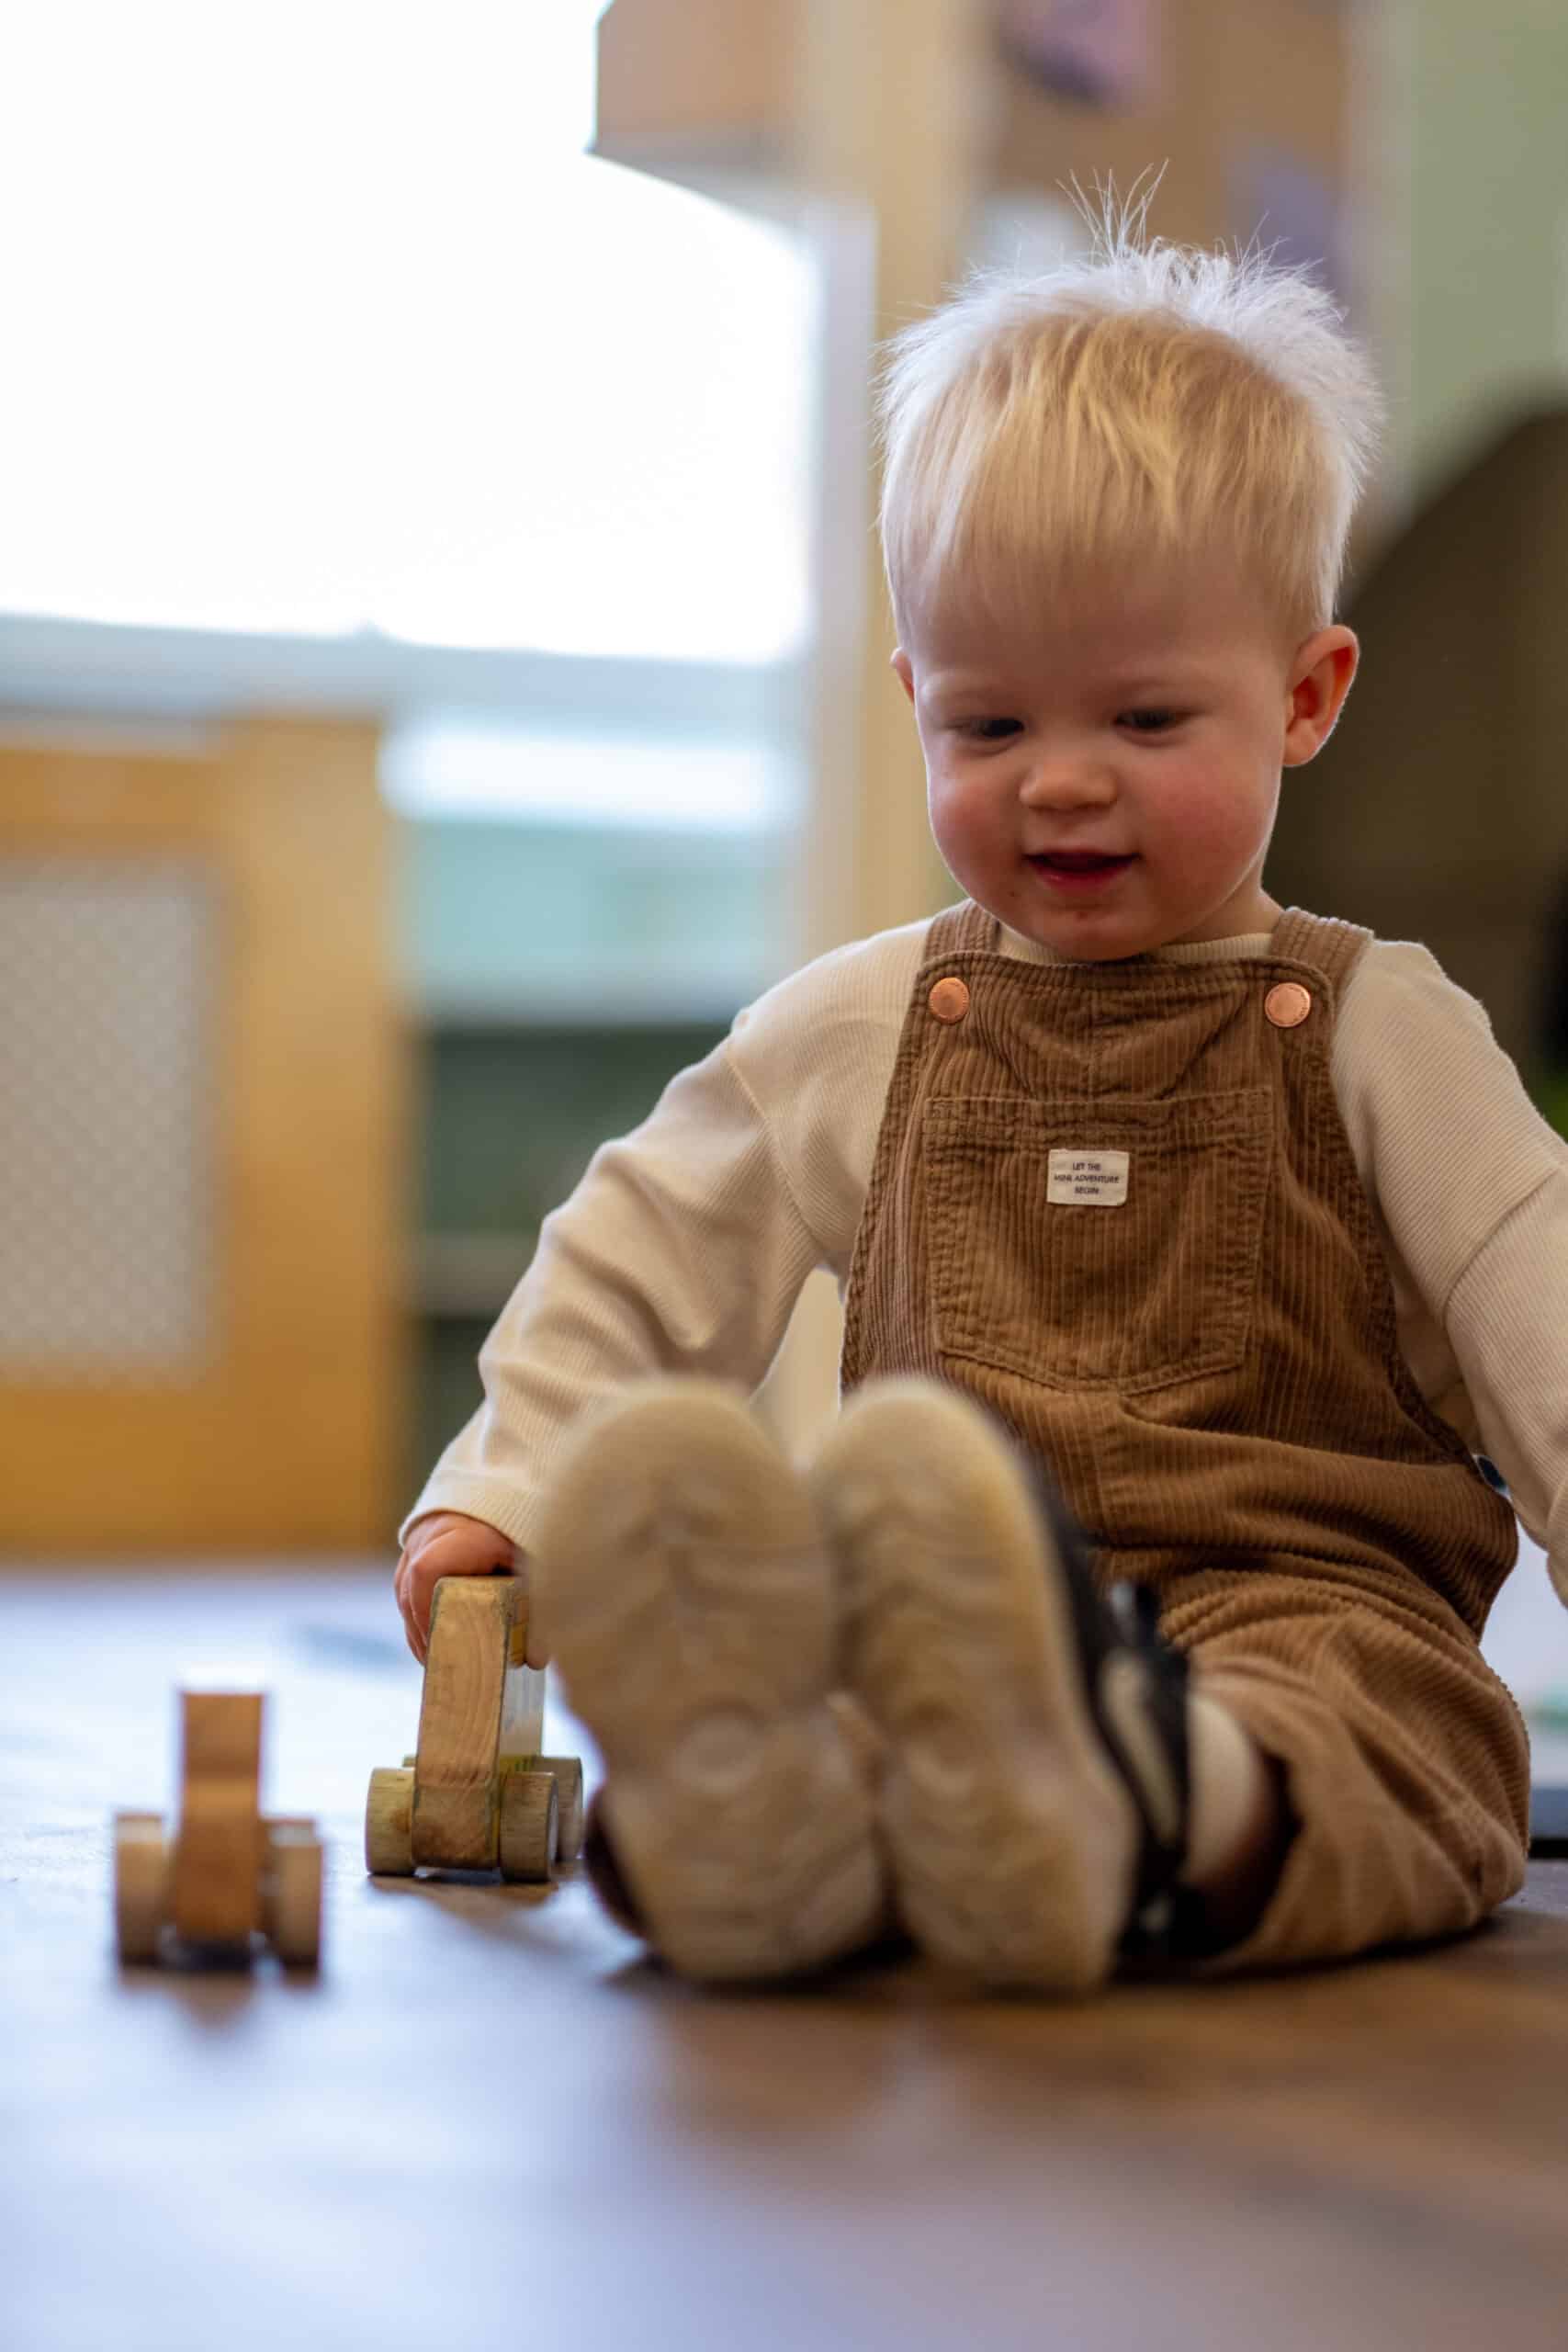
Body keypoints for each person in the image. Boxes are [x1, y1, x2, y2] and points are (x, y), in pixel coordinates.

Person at [393, 191, 1566, 1992]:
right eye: (990, 725)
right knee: (849, 1681)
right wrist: (521, 1484)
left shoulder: (1375, 1032)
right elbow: (647, 1237)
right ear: (913, 696)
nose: (1060, 783)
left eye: (1145, 721)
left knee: (1379, 1741)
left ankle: (1142, 1786)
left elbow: (1537, 1294)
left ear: (1305, 695)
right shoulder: (865, 1023)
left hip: (1304, 1604)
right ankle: (767, 1814)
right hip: (934, 1612)